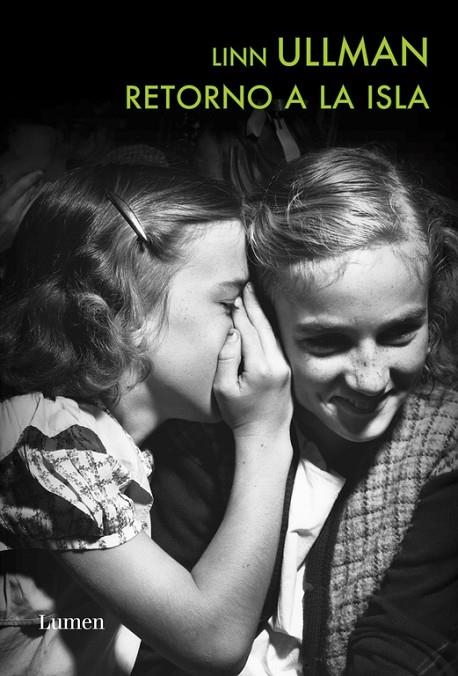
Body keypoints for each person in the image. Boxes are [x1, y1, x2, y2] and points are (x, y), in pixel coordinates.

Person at [134, 147, 458, 675]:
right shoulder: (201, 438)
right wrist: (258, 439)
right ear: (260, 326)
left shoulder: (444, 444)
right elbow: (158, 652)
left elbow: (404, 654)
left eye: (401, 332)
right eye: (327, 341)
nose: (371, 379)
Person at [0, 164, 294, 675]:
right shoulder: (44, 443)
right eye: (230, 303)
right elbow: (212, 638)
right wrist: (265, 434)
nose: (249, 330)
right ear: (125, 309)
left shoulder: (104, 441)